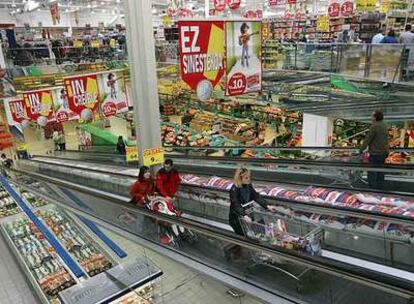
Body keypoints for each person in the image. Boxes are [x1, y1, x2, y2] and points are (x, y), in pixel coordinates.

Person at [229, 168, 277, 236]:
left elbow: (255, 196)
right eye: (246, 178)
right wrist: (244, 215)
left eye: (249, 177)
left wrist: (267, 206)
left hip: (248, 214)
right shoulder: (234, 189)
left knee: (251, 234)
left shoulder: (248, 185)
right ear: (240, 178)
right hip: (237, 219)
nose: (249, 179)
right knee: (242, 235)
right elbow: (235, 204)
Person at [360, 110, 389, 189]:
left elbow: (368, 139)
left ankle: (372, 189)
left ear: (375, 117)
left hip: (376, 153)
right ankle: (380, 188)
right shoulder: (385, 125)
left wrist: (361, 149)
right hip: (384, 152)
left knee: (372, 171)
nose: (371, 117)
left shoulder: (374, 126)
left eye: (372, 116)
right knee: (380, 171)